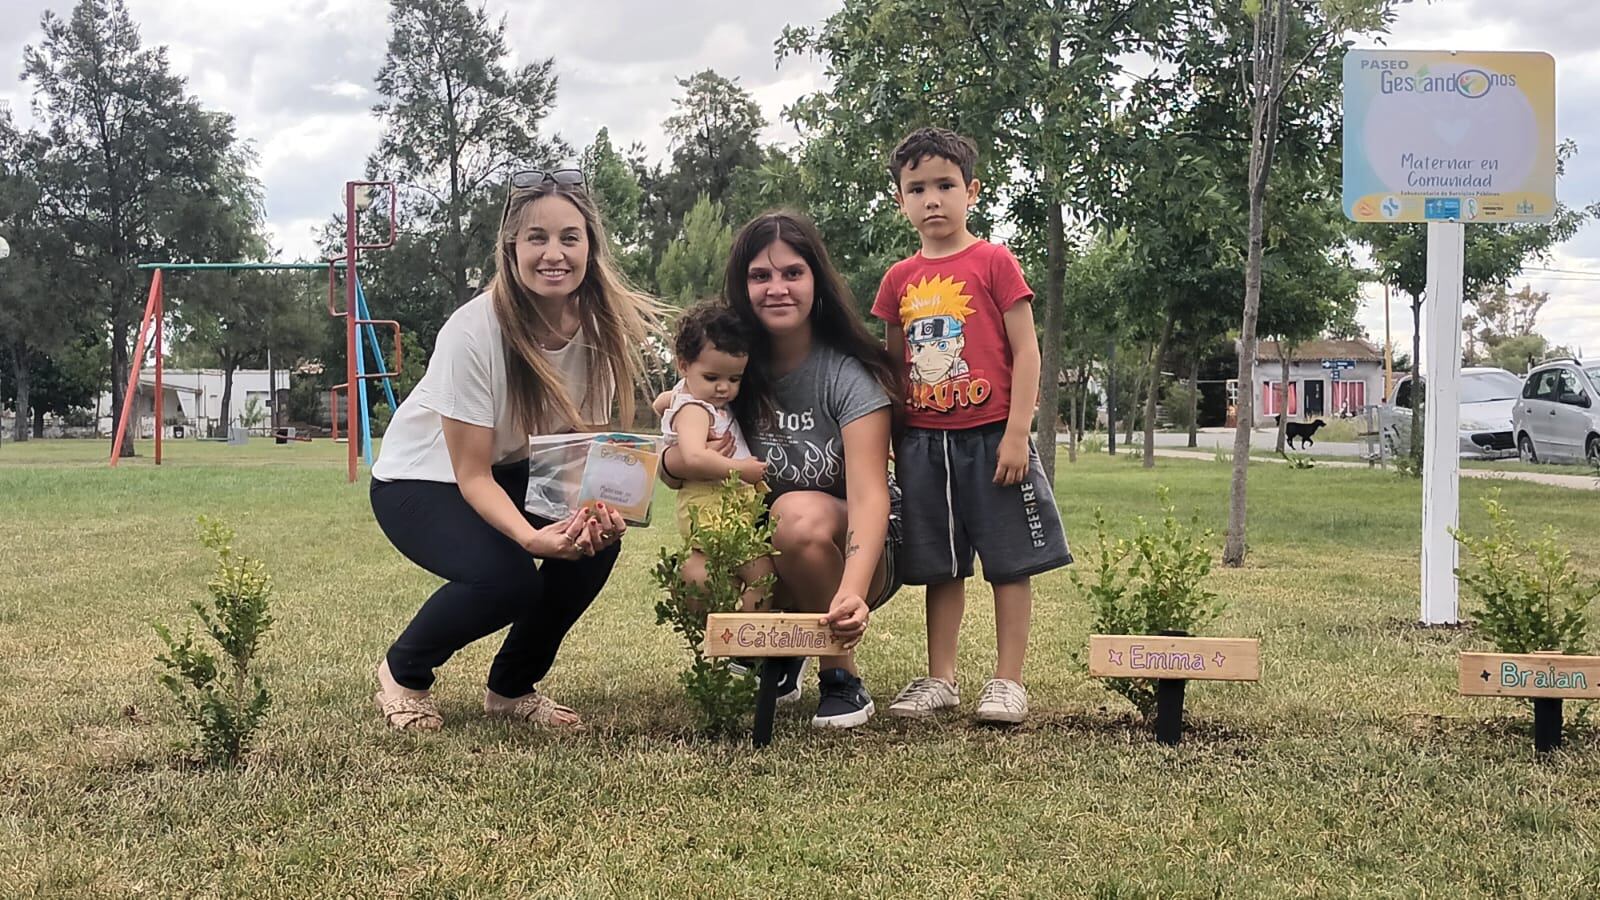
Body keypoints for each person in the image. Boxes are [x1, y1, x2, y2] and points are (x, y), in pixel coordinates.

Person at [368, 168, 657, 732]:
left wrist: (596, 512)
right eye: (537, 238)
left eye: (569, 238)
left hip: (511, 470)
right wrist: (530, 538)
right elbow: (471, 474)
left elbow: (586, 449)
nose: (554, 254)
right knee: (508, 579)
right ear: (511, 248)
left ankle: (511, 688)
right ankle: (403, 674)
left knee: (590, 545)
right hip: (421, 479)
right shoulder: (472, 331)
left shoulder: (602, 329)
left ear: (590, 246)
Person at [659, 211, 903, 729]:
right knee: (694, 578)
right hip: (763, 548)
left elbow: (869, 495)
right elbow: (678, 458)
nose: (777, 288)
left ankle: (841, 677)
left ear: (817, 280)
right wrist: (674, 459)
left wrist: (853, 590)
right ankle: (779, 657)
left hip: (852, 549)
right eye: (759, 276)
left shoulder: (848, 374)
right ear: (741, 285)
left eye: (792, 273)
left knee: (795, 516)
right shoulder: (730, 367)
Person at [871, 127, 1071, 725]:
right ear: (901, 200)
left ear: (972, 191)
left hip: (991, 438)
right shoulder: (897, 280)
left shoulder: (994, 262)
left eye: (945, 185)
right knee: (941, 563)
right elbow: (893, 366)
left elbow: (1027, 353)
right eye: (917, 189)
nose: (932, 199)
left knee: (1008, 563)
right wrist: (893, 440)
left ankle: (1008, 681)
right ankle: (942, 677)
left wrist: (1016, 433)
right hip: (923, 445)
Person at [657, 299, 773, 610]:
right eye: (712, 378)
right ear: (683, 365)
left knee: (762, 576)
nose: (724, 388)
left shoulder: (693, 397)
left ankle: (743, 637)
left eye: (734, 379)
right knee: (758, 576)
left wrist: (672, 398)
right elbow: (694, 458)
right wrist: (741, 470)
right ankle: (743, 636)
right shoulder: (695, 409)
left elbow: (660, 402)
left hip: (729, 509)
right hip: (711, 506)